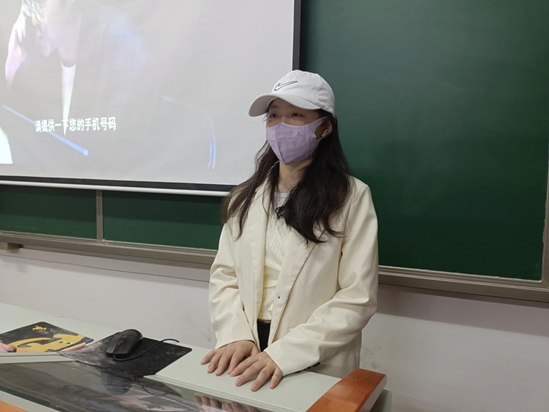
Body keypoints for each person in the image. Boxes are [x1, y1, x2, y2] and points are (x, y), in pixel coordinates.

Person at [201, 70, 378, 391]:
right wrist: (235, 334)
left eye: (296, 115)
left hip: (313, 356)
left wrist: (285, 354)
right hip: (246, 347)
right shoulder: (244, 197)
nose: (281, 125)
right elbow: (225, 275)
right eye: (273, 116)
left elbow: (357, 297)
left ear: (325, 127)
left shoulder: (351, 196)